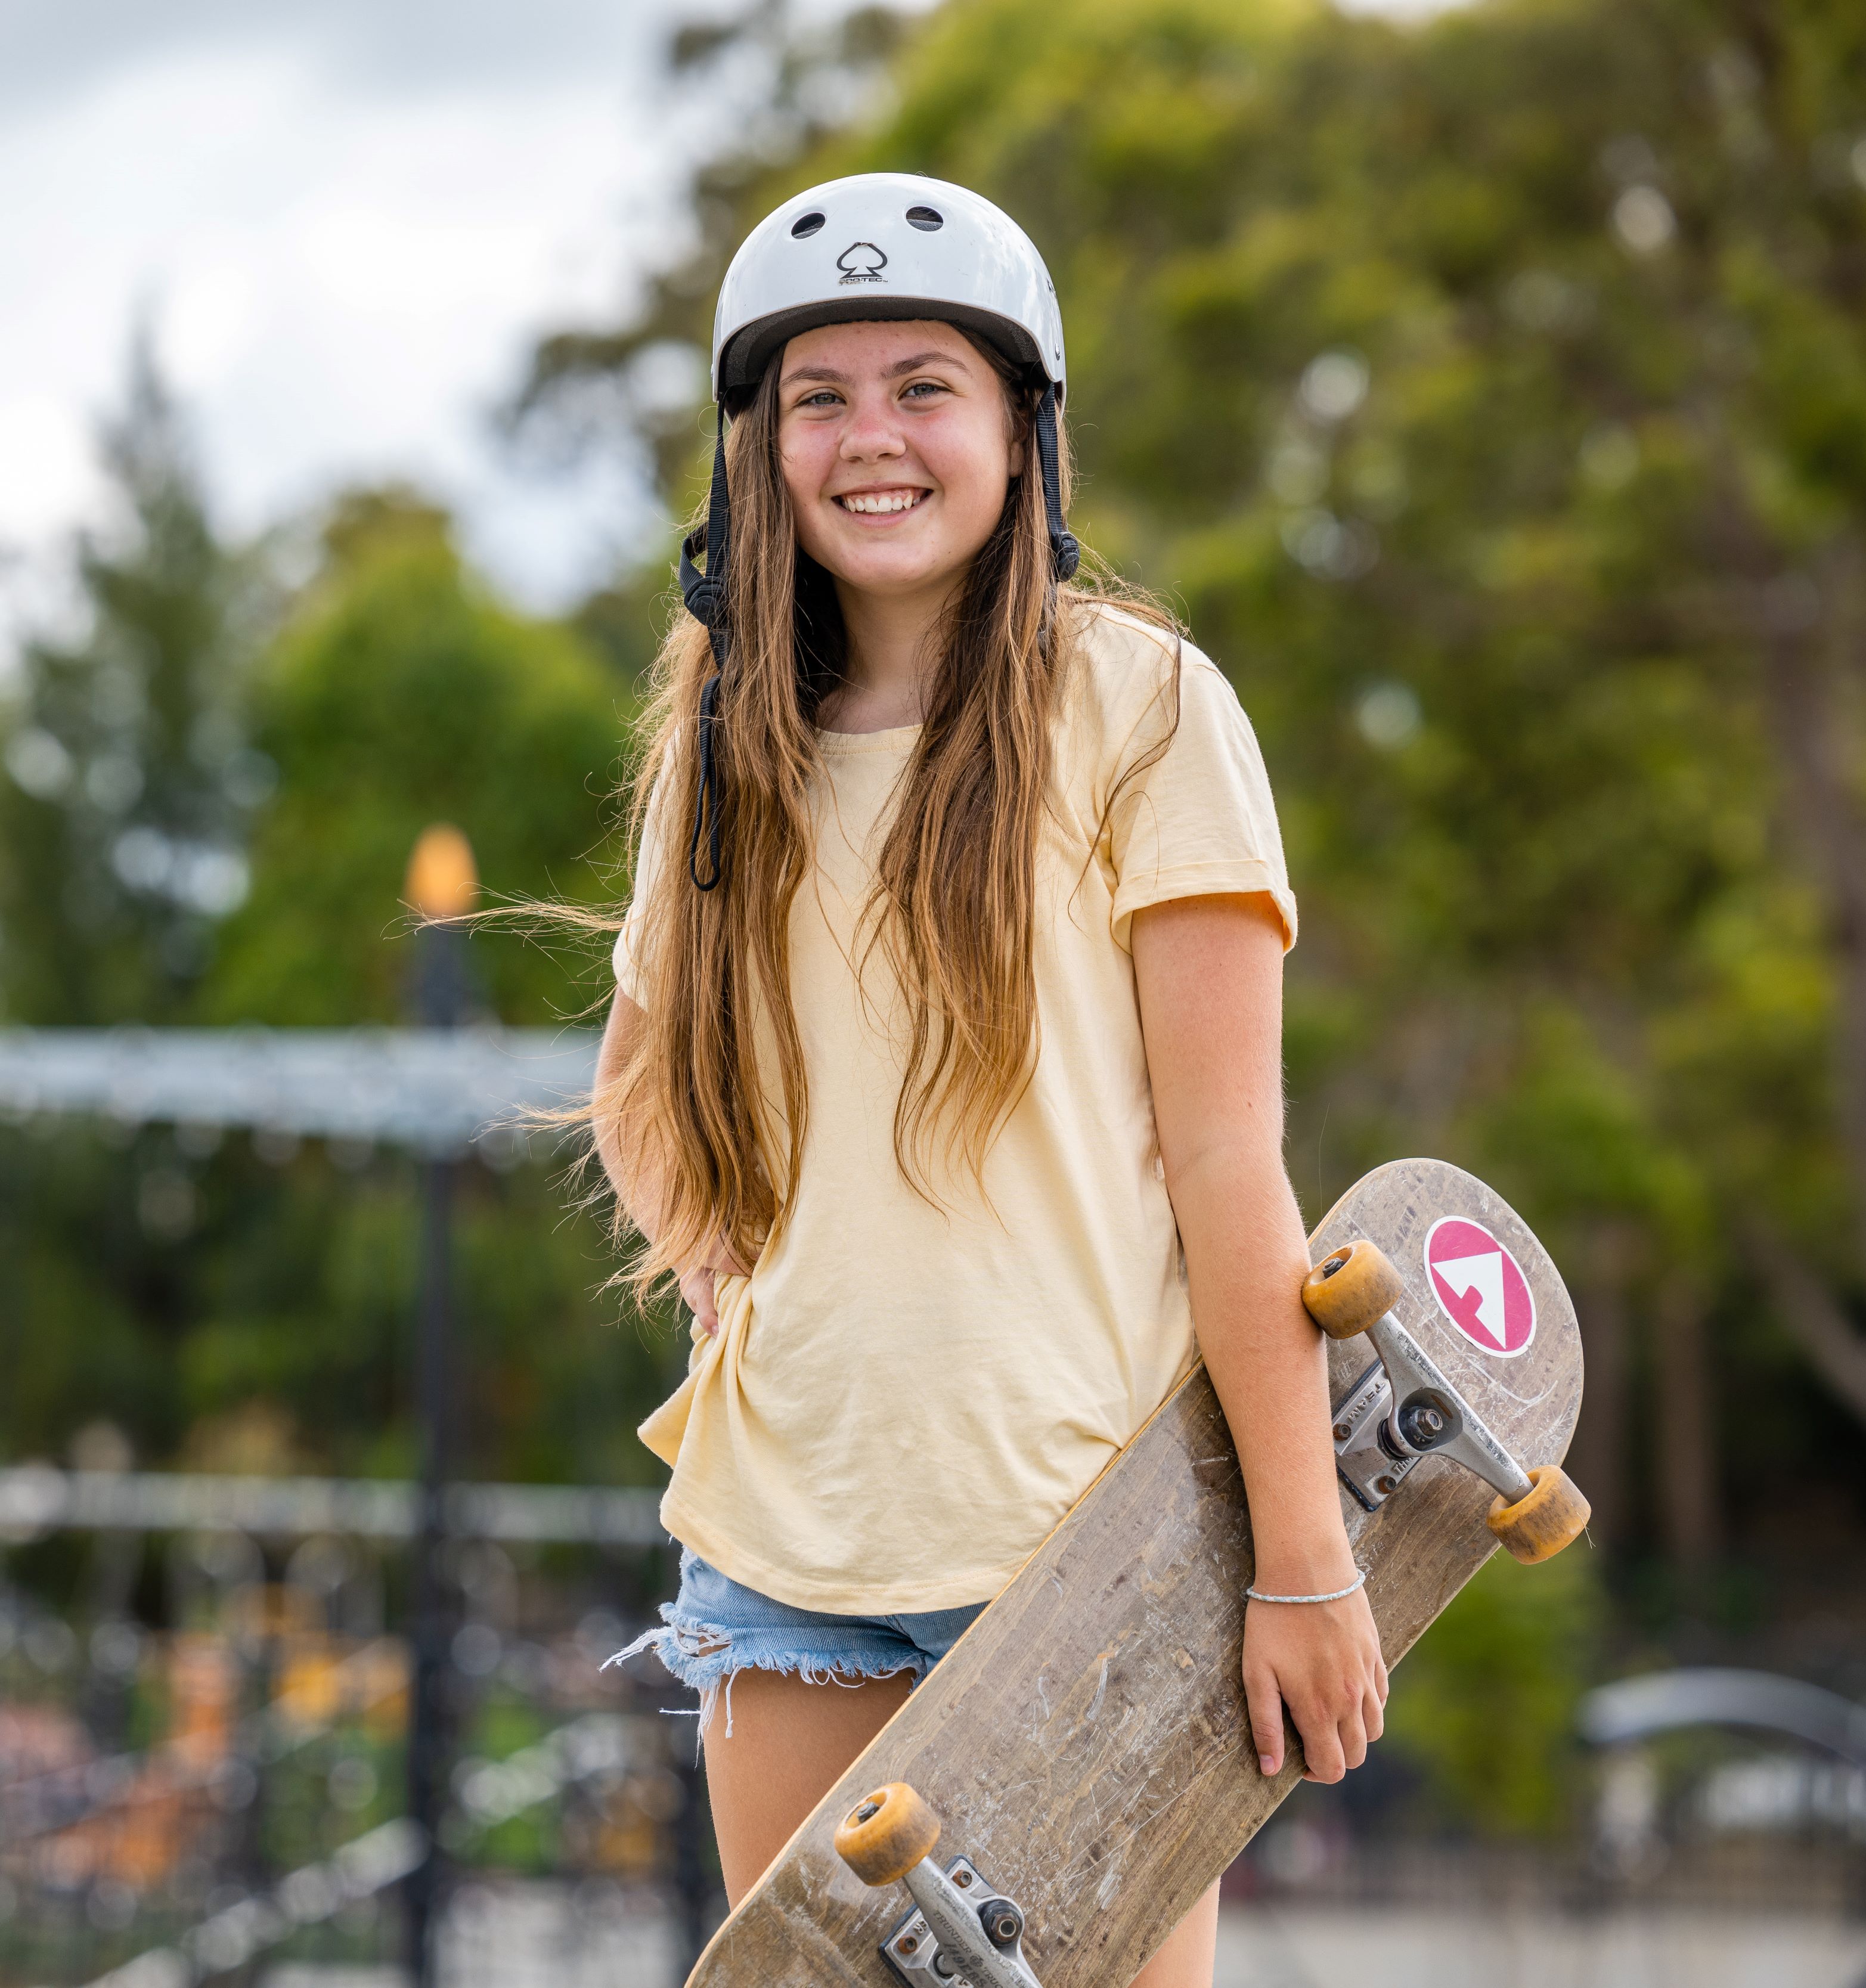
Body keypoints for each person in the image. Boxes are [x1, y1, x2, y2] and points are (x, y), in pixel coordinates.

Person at [590, 172, 1385, 1986]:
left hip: (1088, 1554)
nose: (873, 438)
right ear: (758, 451)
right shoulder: (727, 738)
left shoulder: (1148, 711)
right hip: (788, 1549)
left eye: (924, 385)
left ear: (1022, 434)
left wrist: (1304, 1559)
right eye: (820, 397)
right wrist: (732, 1293)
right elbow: (640, 1084)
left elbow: (1227, 1168)